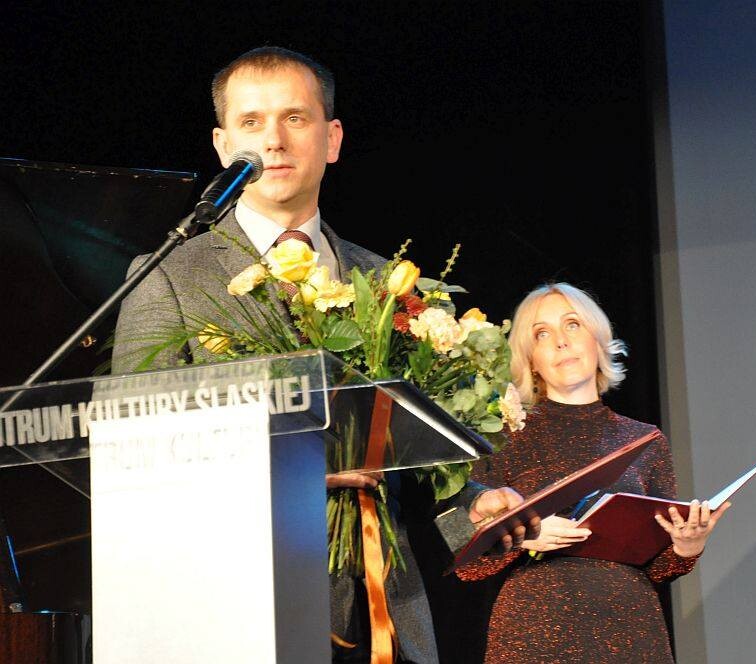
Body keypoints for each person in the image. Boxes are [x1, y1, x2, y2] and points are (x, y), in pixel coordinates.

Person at [111, 45, 538, 664]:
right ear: (223, 146)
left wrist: (471, 504)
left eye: (295, 117)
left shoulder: (387, 281)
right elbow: (137, 460)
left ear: (332, 139)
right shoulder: (169, 277)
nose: (273, 141)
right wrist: (285, 475)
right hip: (237, 613)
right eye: (251, 122)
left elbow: (415, 460)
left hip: (383, 616)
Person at [457, 282, 729, 663]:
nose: (561, 342)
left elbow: (659, 565)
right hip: (534, 635)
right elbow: (462, 554)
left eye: (573, 325)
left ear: (598, 341)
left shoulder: (645, 440)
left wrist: (687, 546)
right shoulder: (504, 434)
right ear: (531, 360)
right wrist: (521, 535)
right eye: (542, 334)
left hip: (632, 635)